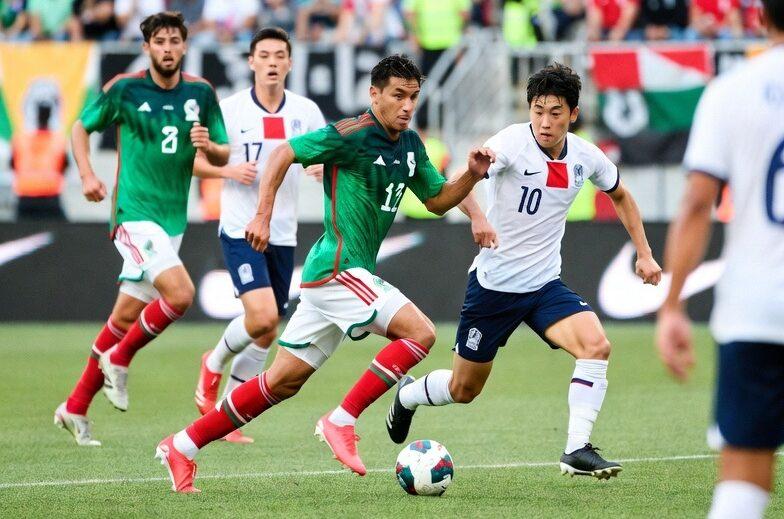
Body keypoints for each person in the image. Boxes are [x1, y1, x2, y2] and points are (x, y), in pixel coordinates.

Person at [155, 54, 495, 493]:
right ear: (374, 94)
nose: (408, 105)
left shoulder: (410, 145)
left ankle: (181, 445)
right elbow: (284, 152)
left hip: (337, 278)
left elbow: (436, 200)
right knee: (421, 333)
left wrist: (472, 176)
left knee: (281, 382)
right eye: (398, 95)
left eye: (413, 96)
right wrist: (262, 214)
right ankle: (342, 420)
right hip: (338, 268)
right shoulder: (351, 134)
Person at [388, 63, 662, 480]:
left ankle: (576, 449)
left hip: (544, 286)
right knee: (464, 389)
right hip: (494, 287)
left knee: (596, 346)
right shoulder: (510, 144)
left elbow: (620, 195)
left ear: (573, 113)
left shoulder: (586, 156)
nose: (545, 122)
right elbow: (458, 182)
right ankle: (409, 394)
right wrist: (479, 217)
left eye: (555, 112)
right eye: (537, 111)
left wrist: (644, 253)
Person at [54, 11, 233, 446]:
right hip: (133, 214)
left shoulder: (200, 93)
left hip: (172, 220)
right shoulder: (126, 89)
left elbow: (223, 153)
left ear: (185, 46)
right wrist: (87, 175)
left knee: (123, 317)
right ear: (147, 47)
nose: (167, 49)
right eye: (160, 42)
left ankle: (75, 407)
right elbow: (80, 127)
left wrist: (208, 146)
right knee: (181, 294)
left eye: (174, 41)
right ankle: (120, 358)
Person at [656, 2, 784, 517]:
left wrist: (672, 306)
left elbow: (696, 205)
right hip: (756, 308)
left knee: (743, 481)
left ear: (760, 17)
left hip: (757, 309)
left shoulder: (732, 90)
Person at [192, 27, 326, 444]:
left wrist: (321, 167)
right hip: (240, 228)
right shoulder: (229, 110)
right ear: (251, 61)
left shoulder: (306, 112)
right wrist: (228, 170)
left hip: (282, 232)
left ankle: (228, 417)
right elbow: (193, 162)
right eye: (264, 55)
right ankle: (212, 363)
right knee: (264, 317)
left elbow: (324, 157)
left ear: (290, 63)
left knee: (267, 330)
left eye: (279, 55)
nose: (271, 62)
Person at [12, 103, 68, 220]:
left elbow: (12, 164)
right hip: (50, 196)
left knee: (20, 229)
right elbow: (65, 166)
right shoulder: (57, 140)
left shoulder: (21, 140)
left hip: (26, 195)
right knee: (64, 229)